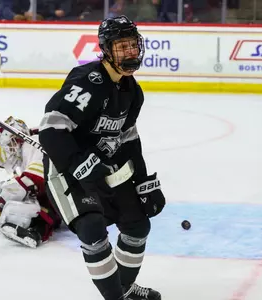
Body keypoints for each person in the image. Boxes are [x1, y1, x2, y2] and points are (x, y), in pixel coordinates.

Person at [39, 15, 165, 300]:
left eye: (133, 45)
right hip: (65, 169)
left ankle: (122, 288)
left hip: (102, 169)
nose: (130, 52)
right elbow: (50, 130)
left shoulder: (132, 91)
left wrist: (144, 182)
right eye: (123, 47)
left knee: (138, 224)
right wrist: (77, 163)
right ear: (107, 49)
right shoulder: (88, 82)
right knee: (92, 229)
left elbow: (129, 140)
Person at [0, 116, 62, 248]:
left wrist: (1, 203)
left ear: (18, 139)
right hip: (59, 182)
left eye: (11, 143)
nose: (9, 148)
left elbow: (34, 178)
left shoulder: (34, 144)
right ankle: (34, 226)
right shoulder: (24, 141)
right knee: (37, 199)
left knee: (43, 204)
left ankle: (36, 231)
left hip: (64, 184)